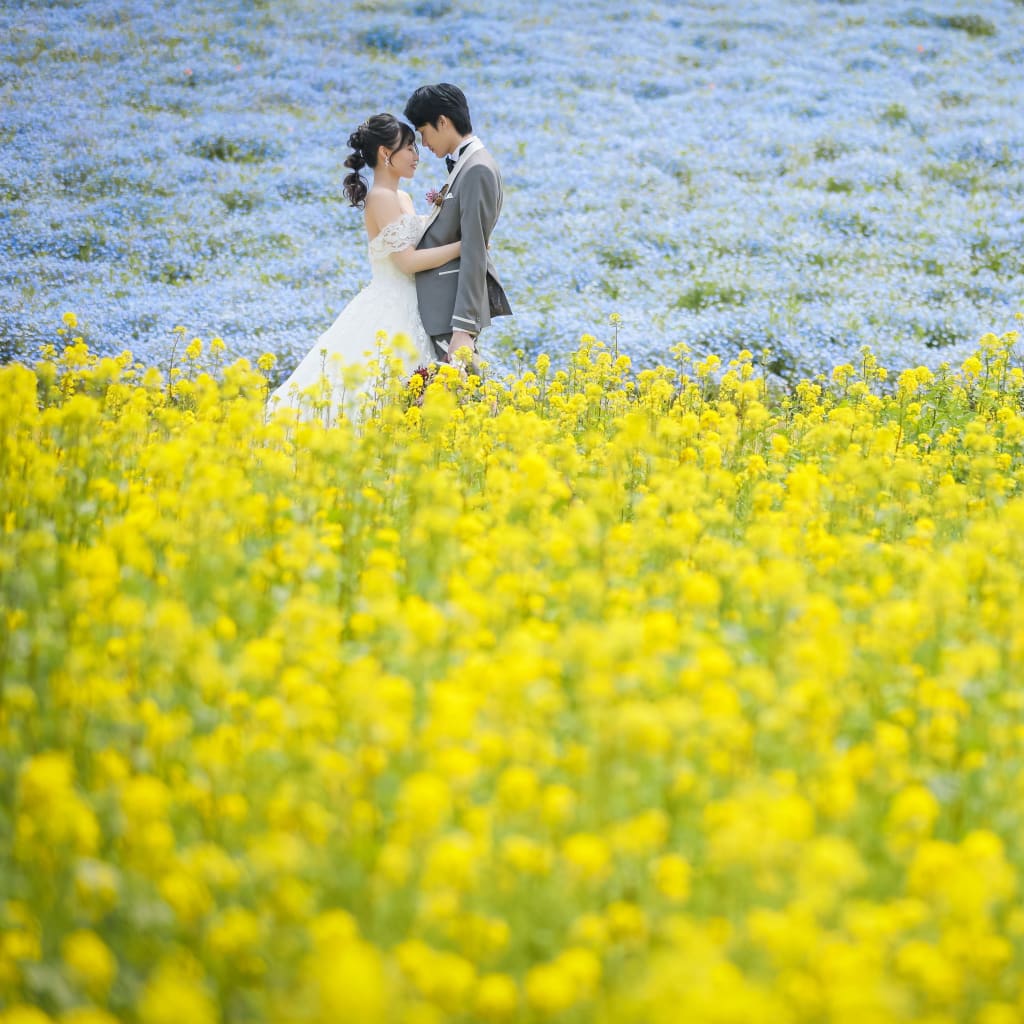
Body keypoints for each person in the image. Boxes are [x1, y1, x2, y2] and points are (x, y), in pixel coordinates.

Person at [270, 113, 461, 418]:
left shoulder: (403, 196)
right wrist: (464, 247)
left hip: (415, 306)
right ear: (386, 154)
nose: (417, 156)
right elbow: (408, 262)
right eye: (409, 148)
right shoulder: (381, 198)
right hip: (391, 308)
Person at [403, 84, 512, 369]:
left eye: (423, 132)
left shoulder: (476, 169)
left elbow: (475, 250)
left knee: (463, 393)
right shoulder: (467, 164)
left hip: (451, 312)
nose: (423, 144)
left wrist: (463, 329)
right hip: (441, 308)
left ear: (443, 121)